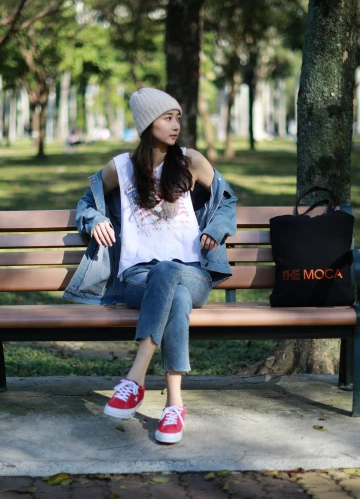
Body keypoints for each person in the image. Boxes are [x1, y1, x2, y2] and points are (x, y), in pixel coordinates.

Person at [63, 87, 238, 444]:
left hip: (192, 273)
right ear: (147, 123)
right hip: (136, 279)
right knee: (170, 287)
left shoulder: (190, 161)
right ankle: (174, 403)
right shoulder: (122, 167)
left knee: (170, 272)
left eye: (177, 117)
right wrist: (94, 218)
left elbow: (227, 199)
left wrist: (217, 229)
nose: (175, 125)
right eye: (166, 118)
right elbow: (86, 202)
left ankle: (136, 378)